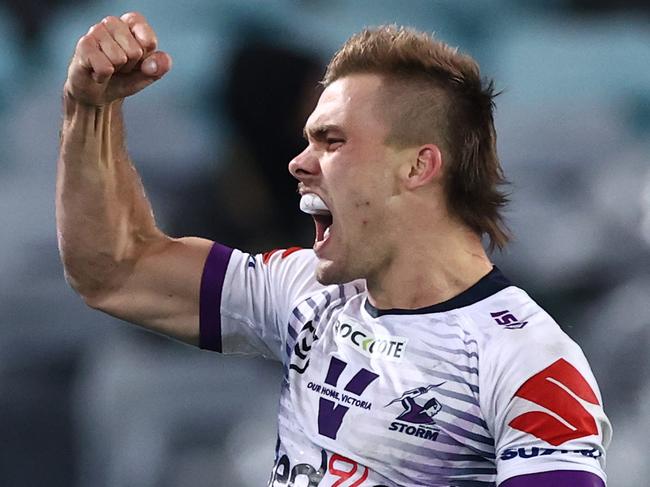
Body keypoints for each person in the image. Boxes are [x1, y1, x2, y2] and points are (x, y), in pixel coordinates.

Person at [56, 12, 612, 487]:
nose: (298, 162)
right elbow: (115, 271)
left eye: (332, 141)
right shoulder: (305, 289)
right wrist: (90, 110)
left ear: (418, 166)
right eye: (307, 140)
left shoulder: (528, 365)